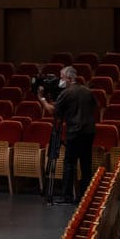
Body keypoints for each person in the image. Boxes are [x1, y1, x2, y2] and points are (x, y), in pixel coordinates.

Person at [41, 66, 97, 203]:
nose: (61, 80)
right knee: (86, 165)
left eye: (62, 77)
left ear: (69, 78)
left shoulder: (67, 93)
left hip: (75, 132)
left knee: (69, 164)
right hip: (89, 132)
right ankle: (85, 196)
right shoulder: (87, 91)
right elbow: (95, 107)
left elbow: (53, 111)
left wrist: (42, 99)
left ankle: (66, 196)